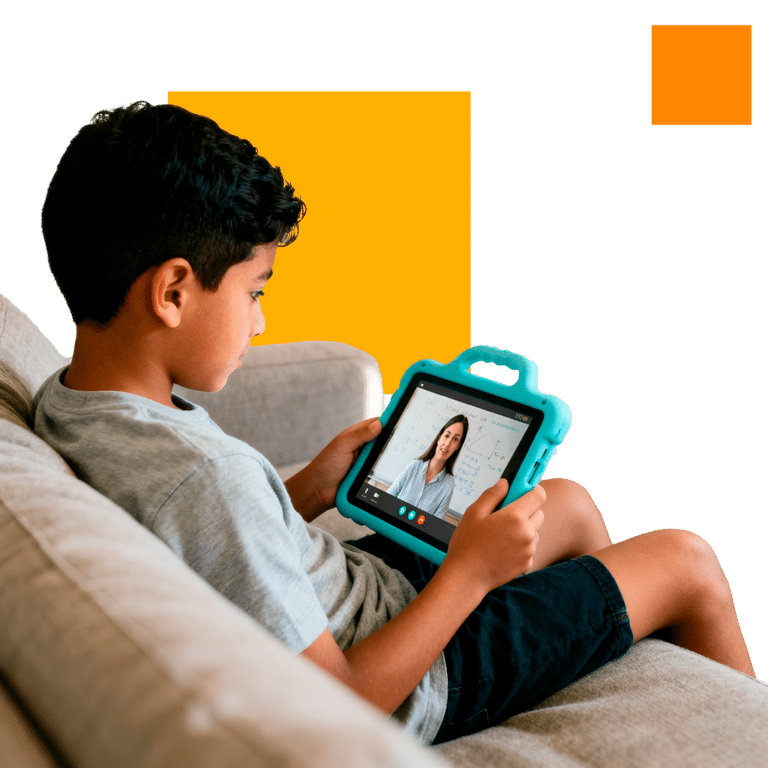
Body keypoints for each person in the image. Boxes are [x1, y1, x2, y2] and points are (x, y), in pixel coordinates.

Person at [33, 99, 756, 746]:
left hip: (361, 592)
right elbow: (337, 700)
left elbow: (203, 539)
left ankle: (605, 654)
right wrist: (469, 577)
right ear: (172, 292)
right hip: (417, 679)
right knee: (687, 561)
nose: (260, 322)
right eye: (255, 291)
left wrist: (307, 489)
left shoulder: (71, 402)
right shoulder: (203, 475)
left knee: (563, 503)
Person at [387, 415, 468, 519]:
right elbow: (388, 498)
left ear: (458, 446)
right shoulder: (414, 465)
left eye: (455, 439)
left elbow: (436, 524)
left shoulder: (448, 483)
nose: (448, 443)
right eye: (447, 436)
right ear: (439, 438)